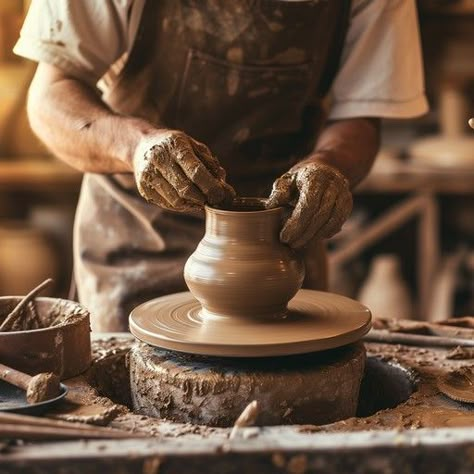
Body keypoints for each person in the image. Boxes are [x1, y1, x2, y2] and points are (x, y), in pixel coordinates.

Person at [14, 0, 428, 331]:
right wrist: (138, 146)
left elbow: (360, 116)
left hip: (283, 241)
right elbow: (50, 98)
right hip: (135, 238)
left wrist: (328, 167)